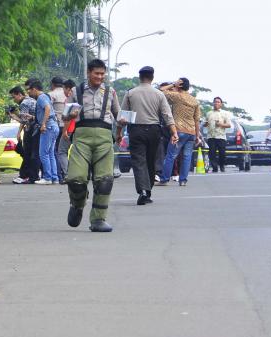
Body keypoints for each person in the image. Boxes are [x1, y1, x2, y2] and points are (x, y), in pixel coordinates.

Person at [65, 59, 120, 232]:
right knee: (76, 178)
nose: (100, 77)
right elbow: (65, 116)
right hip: (82, 137)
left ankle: (98, 219)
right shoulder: (76, 91)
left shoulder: (111, 92)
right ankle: (77, 204)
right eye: (96, 73)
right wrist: (70, 116)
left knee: (104, 181)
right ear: (89, 73)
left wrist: (122, 122)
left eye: (102, 74)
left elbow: (118, 114)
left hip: (104, 138)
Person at [118, 66, 178, 205]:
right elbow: (167, 115)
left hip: (136, 131)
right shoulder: (159, 94)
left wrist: (118, 133)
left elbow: (122, 116)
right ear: (152, 78)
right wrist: (174, 132)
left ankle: (143, 191)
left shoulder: (130, 93)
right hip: (154, 131)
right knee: (151, 161)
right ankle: (148, 191)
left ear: (140, 77)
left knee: (139, 161)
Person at [157, 78, 201, 186]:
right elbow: (197, 120)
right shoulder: (195, 101)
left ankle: (164, 179)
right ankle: (183, 181)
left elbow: (161, 90)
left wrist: (172, 84)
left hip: (179, 131)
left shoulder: (177, 96)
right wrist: (197, 136)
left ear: (180, 85)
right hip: (191, 132)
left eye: (177, 82)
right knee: (187, 157)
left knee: (170, 155)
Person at [27, 80, 60, 185]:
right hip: (53, 126)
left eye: (29, 90)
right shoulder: (45, 96)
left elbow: (47, 108)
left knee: (43, 154)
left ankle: (47, 177)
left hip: (48, 127)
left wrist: (43, 124)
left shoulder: (41, 97)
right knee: (50, 154)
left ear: (34, 89)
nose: (29, 93)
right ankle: (54, 178)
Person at [9, 86, 37, 183]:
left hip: (31, 130)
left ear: (19, 94)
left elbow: (24, 120)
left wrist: (14, 117)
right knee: (34, 153)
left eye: (14, 97)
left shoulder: (24, 103)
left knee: (28, 154)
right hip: (36, 130)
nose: (14, 100)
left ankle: (24, 175)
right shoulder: (32, 100)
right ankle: (32, 175)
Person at [204, 97, 231, 172]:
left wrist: (221, 124)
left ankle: (222, 166)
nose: (216, 103)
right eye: (215, 102)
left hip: (221, 136)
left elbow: (229, 125)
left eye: (218, 102)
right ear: (213, 103)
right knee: (212, 153)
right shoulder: (209, 113)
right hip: (211, 136)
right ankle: (214, 167)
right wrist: (205, 124)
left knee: (222, 153)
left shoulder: (225, 113)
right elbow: (205, 124)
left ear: (221, 104)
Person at [49, 77, 68, 183]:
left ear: (53, 84)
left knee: (55, 151)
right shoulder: (68, 93)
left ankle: (59, 175)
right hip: (67, 125)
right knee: (64, 151)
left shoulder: (52, 94)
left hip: (56, 124)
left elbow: (48, 109)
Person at [58, 79, 77, 182]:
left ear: (68, 89)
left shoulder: (69, 100)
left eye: (64, 89)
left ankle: (68, 174)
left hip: (70, 129)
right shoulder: (79, 98)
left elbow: (68, 118)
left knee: (61, 152)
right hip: (78, 129)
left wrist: (64, 131)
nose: (63, 92)